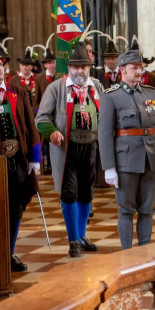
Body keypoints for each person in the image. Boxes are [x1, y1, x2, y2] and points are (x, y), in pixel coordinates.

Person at [0, 35, 41, 272]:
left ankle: (9, 253)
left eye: (0, 64)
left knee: (16, 207)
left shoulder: (17, 90)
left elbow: (30, 124)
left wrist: (35, 157)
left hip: (17, 161)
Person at [98, 44, 155, 249]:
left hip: (151, 158)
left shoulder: (150, 93)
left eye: (140, 67)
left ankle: (145, 250)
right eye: (134, 68)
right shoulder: (111, 96)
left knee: (147, 209)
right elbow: (104, 134)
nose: (139, 71)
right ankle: (127, 254)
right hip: (126, 160)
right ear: (122, 70)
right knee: (126, 210)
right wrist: (109, 167)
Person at [35, 44, 103, 257]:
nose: (79, 71)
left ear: (89, 67)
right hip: (66, 150)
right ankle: (73, 239)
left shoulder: (97, 86)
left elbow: (107, 114)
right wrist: (52, 132)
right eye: (75, 67)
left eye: (84, 66)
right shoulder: (56, 88)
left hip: (91, 148)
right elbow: (41, 118)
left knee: (86, 193)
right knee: (70, 193)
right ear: (68, 68)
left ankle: (81, 236)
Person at [33, 40, 56, 174]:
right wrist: (39, 114)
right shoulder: (39, 79)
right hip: (46, 115)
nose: (52, 65)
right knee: (45, 143)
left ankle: (54, 165)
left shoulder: (60, 76)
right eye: (49, 63)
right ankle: (47, 166)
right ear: (45, 65)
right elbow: (36, 100)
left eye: (53, 62)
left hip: (57, 115)